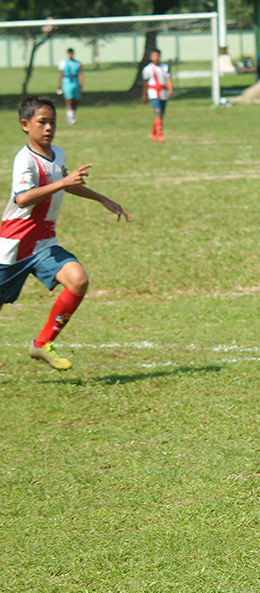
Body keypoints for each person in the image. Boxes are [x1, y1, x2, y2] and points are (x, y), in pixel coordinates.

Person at [1, 96, 130, 371]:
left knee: (78, 280)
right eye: (42, 122)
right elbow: (23, 199)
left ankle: (41, 344)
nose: (49, 128)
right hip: (14, 245)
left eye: (53, 122)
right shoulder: (24, 159)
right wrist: (63, 181)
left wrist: (102, 199)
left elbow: (65, 184)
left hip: (44, 243)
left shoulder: (57, 153)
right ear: (25, 125)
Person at [141, 49, 173, 142]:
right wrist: (144, 95)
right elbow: (146, 83)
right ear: (151, 57)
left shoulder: (165, 67)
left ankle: (152, 134)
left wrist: (170, 89)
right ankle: (160, 135)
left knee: (161, 115)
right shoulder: (147, 69)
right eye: (154, 56)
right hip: (153, 92)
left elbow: (168, 79)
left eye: (157, 55)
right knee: (158, 114)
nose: (156, 57)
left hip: (163, 92)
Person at [58, 48, 82, 125]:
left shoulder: (78, 63)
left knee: (75, 101)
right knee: (69, 100)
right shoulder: (63, 62)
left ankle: (72, 116)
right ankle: (70, 118)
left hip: (75, 83)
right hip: (67, 82)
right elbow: (61, 74)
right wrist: (59, 86)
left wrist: (81, 86)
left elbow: (80, 75)